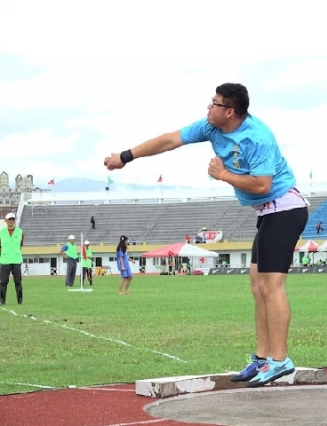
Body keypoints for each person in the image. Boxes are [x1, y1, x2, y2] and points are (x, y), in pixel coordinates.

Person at [103, 83, 309, 388]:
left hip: (284, 208)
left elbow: (263, 185)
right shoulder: (211, 127)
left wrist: (223, 174)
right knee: (257, 286)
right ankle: (263, 358)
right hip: (267, 213)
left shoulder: (257, 137)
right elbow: (170, 140)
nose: (207, 108)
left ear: (230, 111)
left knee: (271, 286)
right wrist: (125, 155)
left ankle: (280, 361)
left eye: (213, 104)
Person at [0, 213, 24, 305]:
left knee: (18, 282)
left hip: (16, 260)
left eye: (13, 219)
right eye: (9, 219)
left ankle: (20, 300)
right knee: (3, 282)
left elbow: (21, 245)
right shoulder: (1, 232)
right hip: (4, 261)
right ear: (5, 220)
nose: (11, 221)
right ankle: (2, 301)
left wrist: (16, 253)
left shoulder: (20, 232)